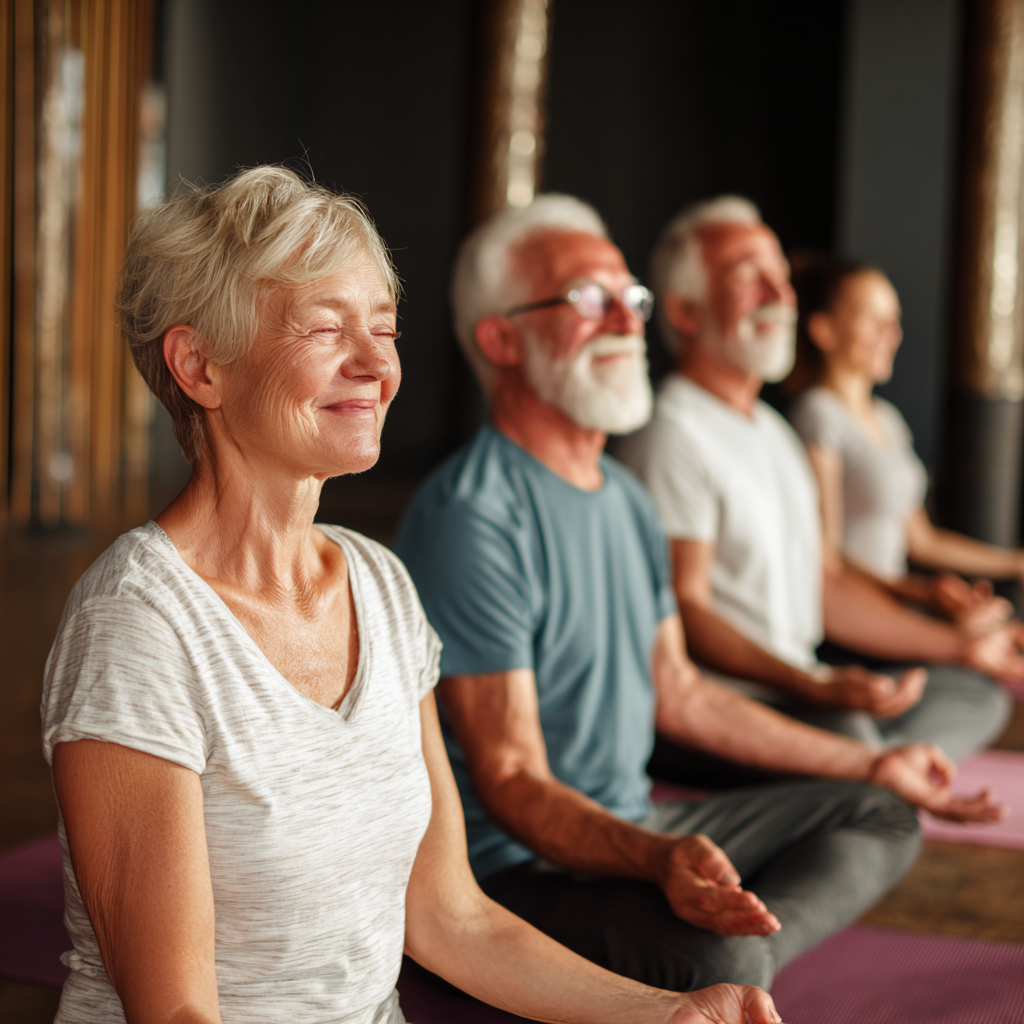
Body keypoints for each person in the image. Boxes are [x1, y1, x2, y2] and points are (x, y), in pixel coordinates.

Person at [40, 168, 782, 1024]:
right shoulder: (138, 623)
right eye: (326, 329)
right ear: (200, 366)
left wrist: (667, 1011)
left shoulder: (382, 585)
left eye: (384, 330)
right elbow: (174, 1012)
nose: (374, 365)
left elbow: (448, 917)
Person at [393, 194, 1002, 996]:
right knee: (724, 961)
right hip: (522, 866)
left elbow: (679, 693)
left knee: (879, 810)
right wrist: (657, 860)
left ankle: (714, 975)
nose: (623, 319)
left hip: (640, 821)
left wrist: (875, 760)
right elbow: (511, 782)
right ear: (501, 338)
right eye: (587, 299)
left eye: (629, 297)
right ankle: (704, 972)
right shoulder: (473, 517)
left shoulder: (623, 495)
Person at [620, 197, 1015, 785]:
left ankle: (873, 767)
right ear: (682, 311)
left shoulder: (774, 433)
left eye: (780, 276)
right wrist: (813, 684)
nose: (781, 295)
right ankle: (869, 772)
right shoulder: (673, 433)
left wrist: (960, 648)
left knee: (978, 695)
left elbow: (824, 584)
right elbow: (687, 607)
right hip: (736, 704)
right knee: (879, 806)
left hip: (800, 684)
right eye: (748, 278)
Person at [787, 253, 1024, 625]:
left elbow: (922, 540)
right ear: (824, 330)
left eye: (893, 321)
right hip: (857, 617)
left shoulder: (888, 419)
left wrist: (1013, 563)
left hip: (898, 605)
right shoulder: (817, 414)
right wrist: (921, 594)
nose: (891, 334)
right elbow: (826, 558)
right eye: (873, 320)